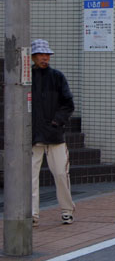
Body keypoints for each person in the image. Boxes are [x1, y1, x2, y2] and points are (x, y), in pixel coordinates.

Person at [30, 39, 75, 227]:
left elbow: (68, 104)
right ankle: (32, 214)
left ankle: (67, 210)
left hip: (55, 136)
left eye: (47, 55)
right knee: (30, 177)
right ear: (32, 57)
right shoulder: (26, 78)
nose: (44, 58)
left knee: (61, 174)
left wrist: (57, 121)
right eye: (41, 55)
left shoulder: (57, 77)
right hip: (32, 136)